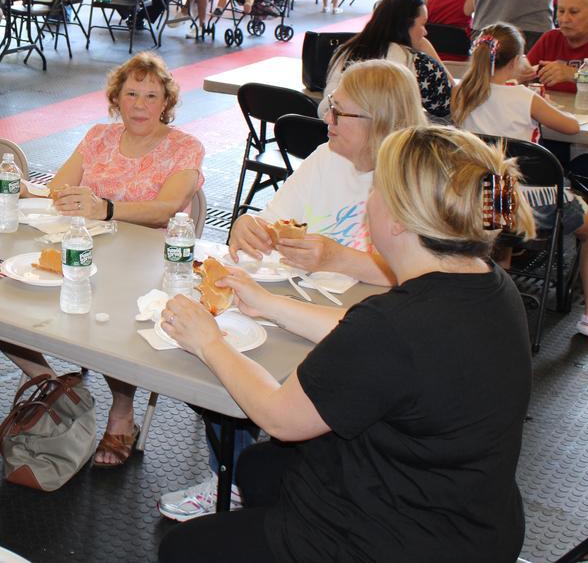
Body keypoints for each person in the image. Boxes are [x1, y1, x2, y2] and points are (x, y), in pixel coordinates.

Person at [158, 126, 535, 563]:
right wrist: (271, 304)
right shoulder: (490, 284)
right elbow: (365, 332)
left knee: (182, 550)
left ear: (396, 220)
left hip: (397, 542)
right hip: (477, 520)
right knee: (258, 469)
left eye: (376, 189)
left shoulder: (391, 326)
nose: (368, 200)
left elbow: (278, 417)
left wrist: (209, 342)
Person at [158, 60, 426, 522]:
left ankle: (246, 477)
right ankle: (232, 472)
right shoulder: (328, 158)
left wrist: (338, 257)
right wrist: (246, 225)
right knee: (209, 357)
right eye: (330, 107)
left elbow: (419, 275)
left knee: (235, 368)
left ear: (379, 120)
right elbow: (270, 218)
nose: (327, 119)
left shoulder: (412, 180)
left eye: (340, 113)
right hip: (304, 306)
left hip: (368, 325)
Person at [0, 53, 204, 467]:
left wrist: (104, 208)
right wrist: (67, 198)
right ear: (116, 99)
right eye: (131, 94)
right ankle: (55, 387)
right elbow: (58, 185)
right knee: (2, 302)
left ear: (167, 102)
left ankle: (122, 411)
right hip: (82, 247)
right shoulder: (98, 136)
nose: (140, 104)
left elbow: (167, 208)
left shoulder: (185, 147)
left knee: (115, 326)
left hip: (145, 257)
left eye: (151, 95)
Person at [452, 23, 588, 338]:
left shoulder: (461, 92)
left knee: (499, 235)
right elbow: (570, 127)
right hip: (523, 204)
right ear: (517, 60)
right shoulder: (523, 97)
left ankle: (491, 304)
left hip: (475, 198)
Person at [318, 0, 451, 119]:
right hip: (388, 139)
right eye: (423, 24)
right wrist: (428, 50)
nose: (425, 32)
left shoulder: (343, 52)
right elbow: (449, 107)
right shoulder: (420, 64)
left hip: (334, 129)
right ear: (405, 26)